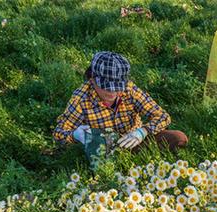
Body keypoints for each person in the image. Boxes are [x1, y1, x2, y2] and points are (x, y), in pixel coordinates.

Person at [53, 51, 188, 152]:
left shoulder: (129, 89)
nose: (112, 93)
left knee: (179, 138)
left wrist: (143, 132)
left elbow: (162, 116)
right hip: (102, 149)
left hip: (134, 141)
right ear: (92, 79)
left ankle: (139, 157)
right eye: (106, 87)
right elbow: (59, 133)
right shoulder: (81, 99)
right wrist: (75, 135)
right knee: (97, 155)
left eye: (117, 87)